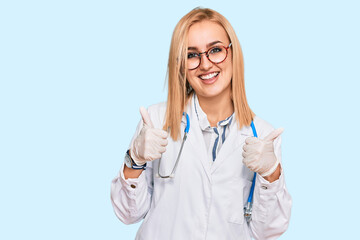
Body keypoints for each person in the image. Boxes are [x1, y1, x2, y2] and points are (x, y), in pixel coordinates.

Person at [110, 7, 292, 240]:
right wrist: (134, 160)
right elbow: (128, 214)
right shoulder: (156, 122)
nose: (205, 64)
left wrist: (272, 173)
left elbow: (267, 230)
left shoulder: (263, 136)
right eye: (191, 54)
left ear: (233, 53)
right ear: (180, 64)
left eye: (215, 50)